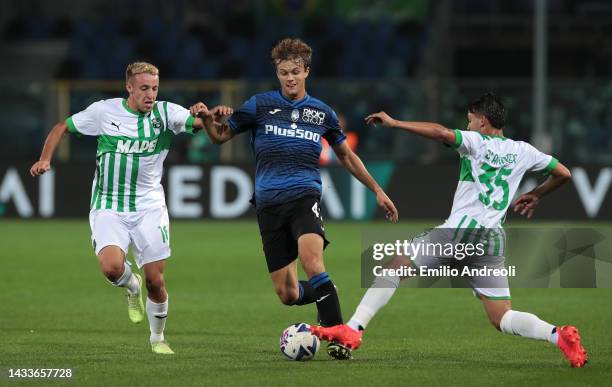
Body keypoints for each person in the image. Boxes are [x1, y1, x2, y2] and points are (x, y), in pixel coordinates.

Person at [310, 92, 588, 368]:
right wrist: (537, 194)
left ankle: (354, 329)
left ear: (482, 121)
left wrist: (396, 124)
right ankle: (557, 335)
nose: (466, 126)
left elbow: (442, 133)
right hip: (491, 240)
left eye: (469, 121)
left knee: (394, 267)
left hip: (459, 232)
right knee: (502, 317)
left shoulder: (476, 141)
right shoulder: (524, 150)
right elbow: (563, 173)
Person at [191, 38, 398, 360]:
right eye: (284, 72)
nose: (290, 78)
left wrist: (377, 190)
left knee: (312, 260)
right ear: (278, 73)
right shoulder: (259, 106)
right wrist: (206, 119)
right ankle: (325, 293)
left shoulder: (322, 113)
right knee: (287, 294)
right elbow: (219, 136)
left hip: (304, 196)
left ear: (306, 72)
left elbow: (346, 156)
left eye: (296, 72)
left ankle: (339, 337)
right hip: (268, 205)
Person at [30, 62, 226, 355]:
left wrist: (207, 114)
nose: (150, 94)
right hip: (108, 204)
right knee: (111, 268)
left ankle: (157, 338)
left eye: (155, 88)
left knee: (156, 281)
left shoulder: (166, 112)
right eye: (144, 88)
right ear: (130, 88)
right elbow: (62, 127)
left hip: (149, 206)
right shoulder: (104, 112)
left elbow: (201, 126)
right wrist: (45, 158)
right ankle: (130, 285)